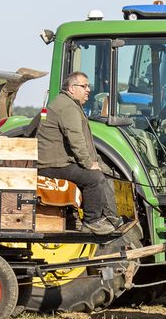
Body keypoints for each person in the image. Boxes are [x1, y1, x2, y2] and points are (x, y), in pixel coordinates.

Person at [36, 71, 120, 235]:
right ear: (72, 88)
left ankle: (109, 216)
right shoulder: (68, 107)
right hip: (53, 164)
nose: (88, 90)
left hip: (59, 161)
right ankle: (92, 221)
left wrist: (95, 163)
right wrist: (88, 164)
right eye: (84, 86)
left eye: (88, 86)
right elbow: (76, 139)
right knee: (93, 178)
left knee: (102, 171)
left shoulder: (68, 104)